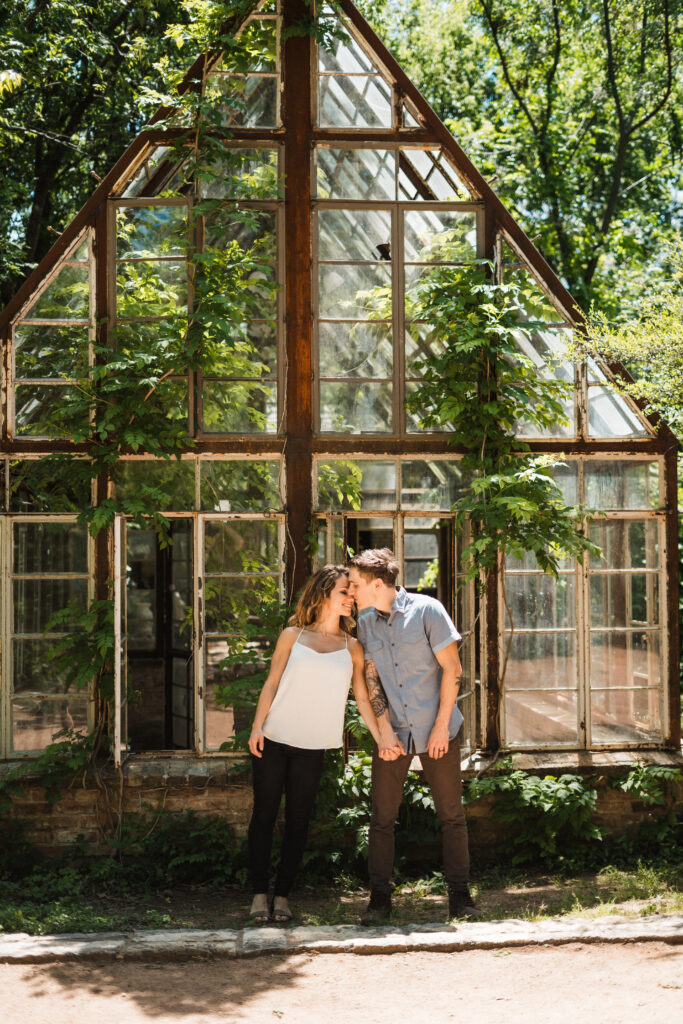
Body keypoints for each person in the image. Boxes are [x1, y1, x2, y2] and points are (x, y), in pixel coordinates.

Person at [247, 564, 397, 924]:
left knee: (299, 823)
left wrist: (381, 739)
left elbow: (362, 699)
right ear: (323, 593)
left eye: (352, 592)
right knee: (263, 818)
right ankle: (257, 895)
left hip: (312, 746)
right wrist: (256, 728)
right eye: (345, 591)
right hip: (273, 739)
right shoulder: (292, 636)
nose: (351, 597)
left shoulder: (353, 646)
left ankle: (282, 896)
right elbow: (271, 684)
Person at [347, 548, 477, 924]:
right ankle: (379, 900)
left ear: (376, 584)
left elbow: (453, 669)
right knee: (382, 817)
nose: (351, 590)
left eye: (355, 583)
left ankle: (460, 897)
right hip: (395, 733)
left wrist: (439, 727)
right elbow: (372, 678)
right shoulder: (366, 621)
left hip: (438, 728)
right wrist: (383, 730)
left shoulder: (428, 610)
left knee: (451, 814)